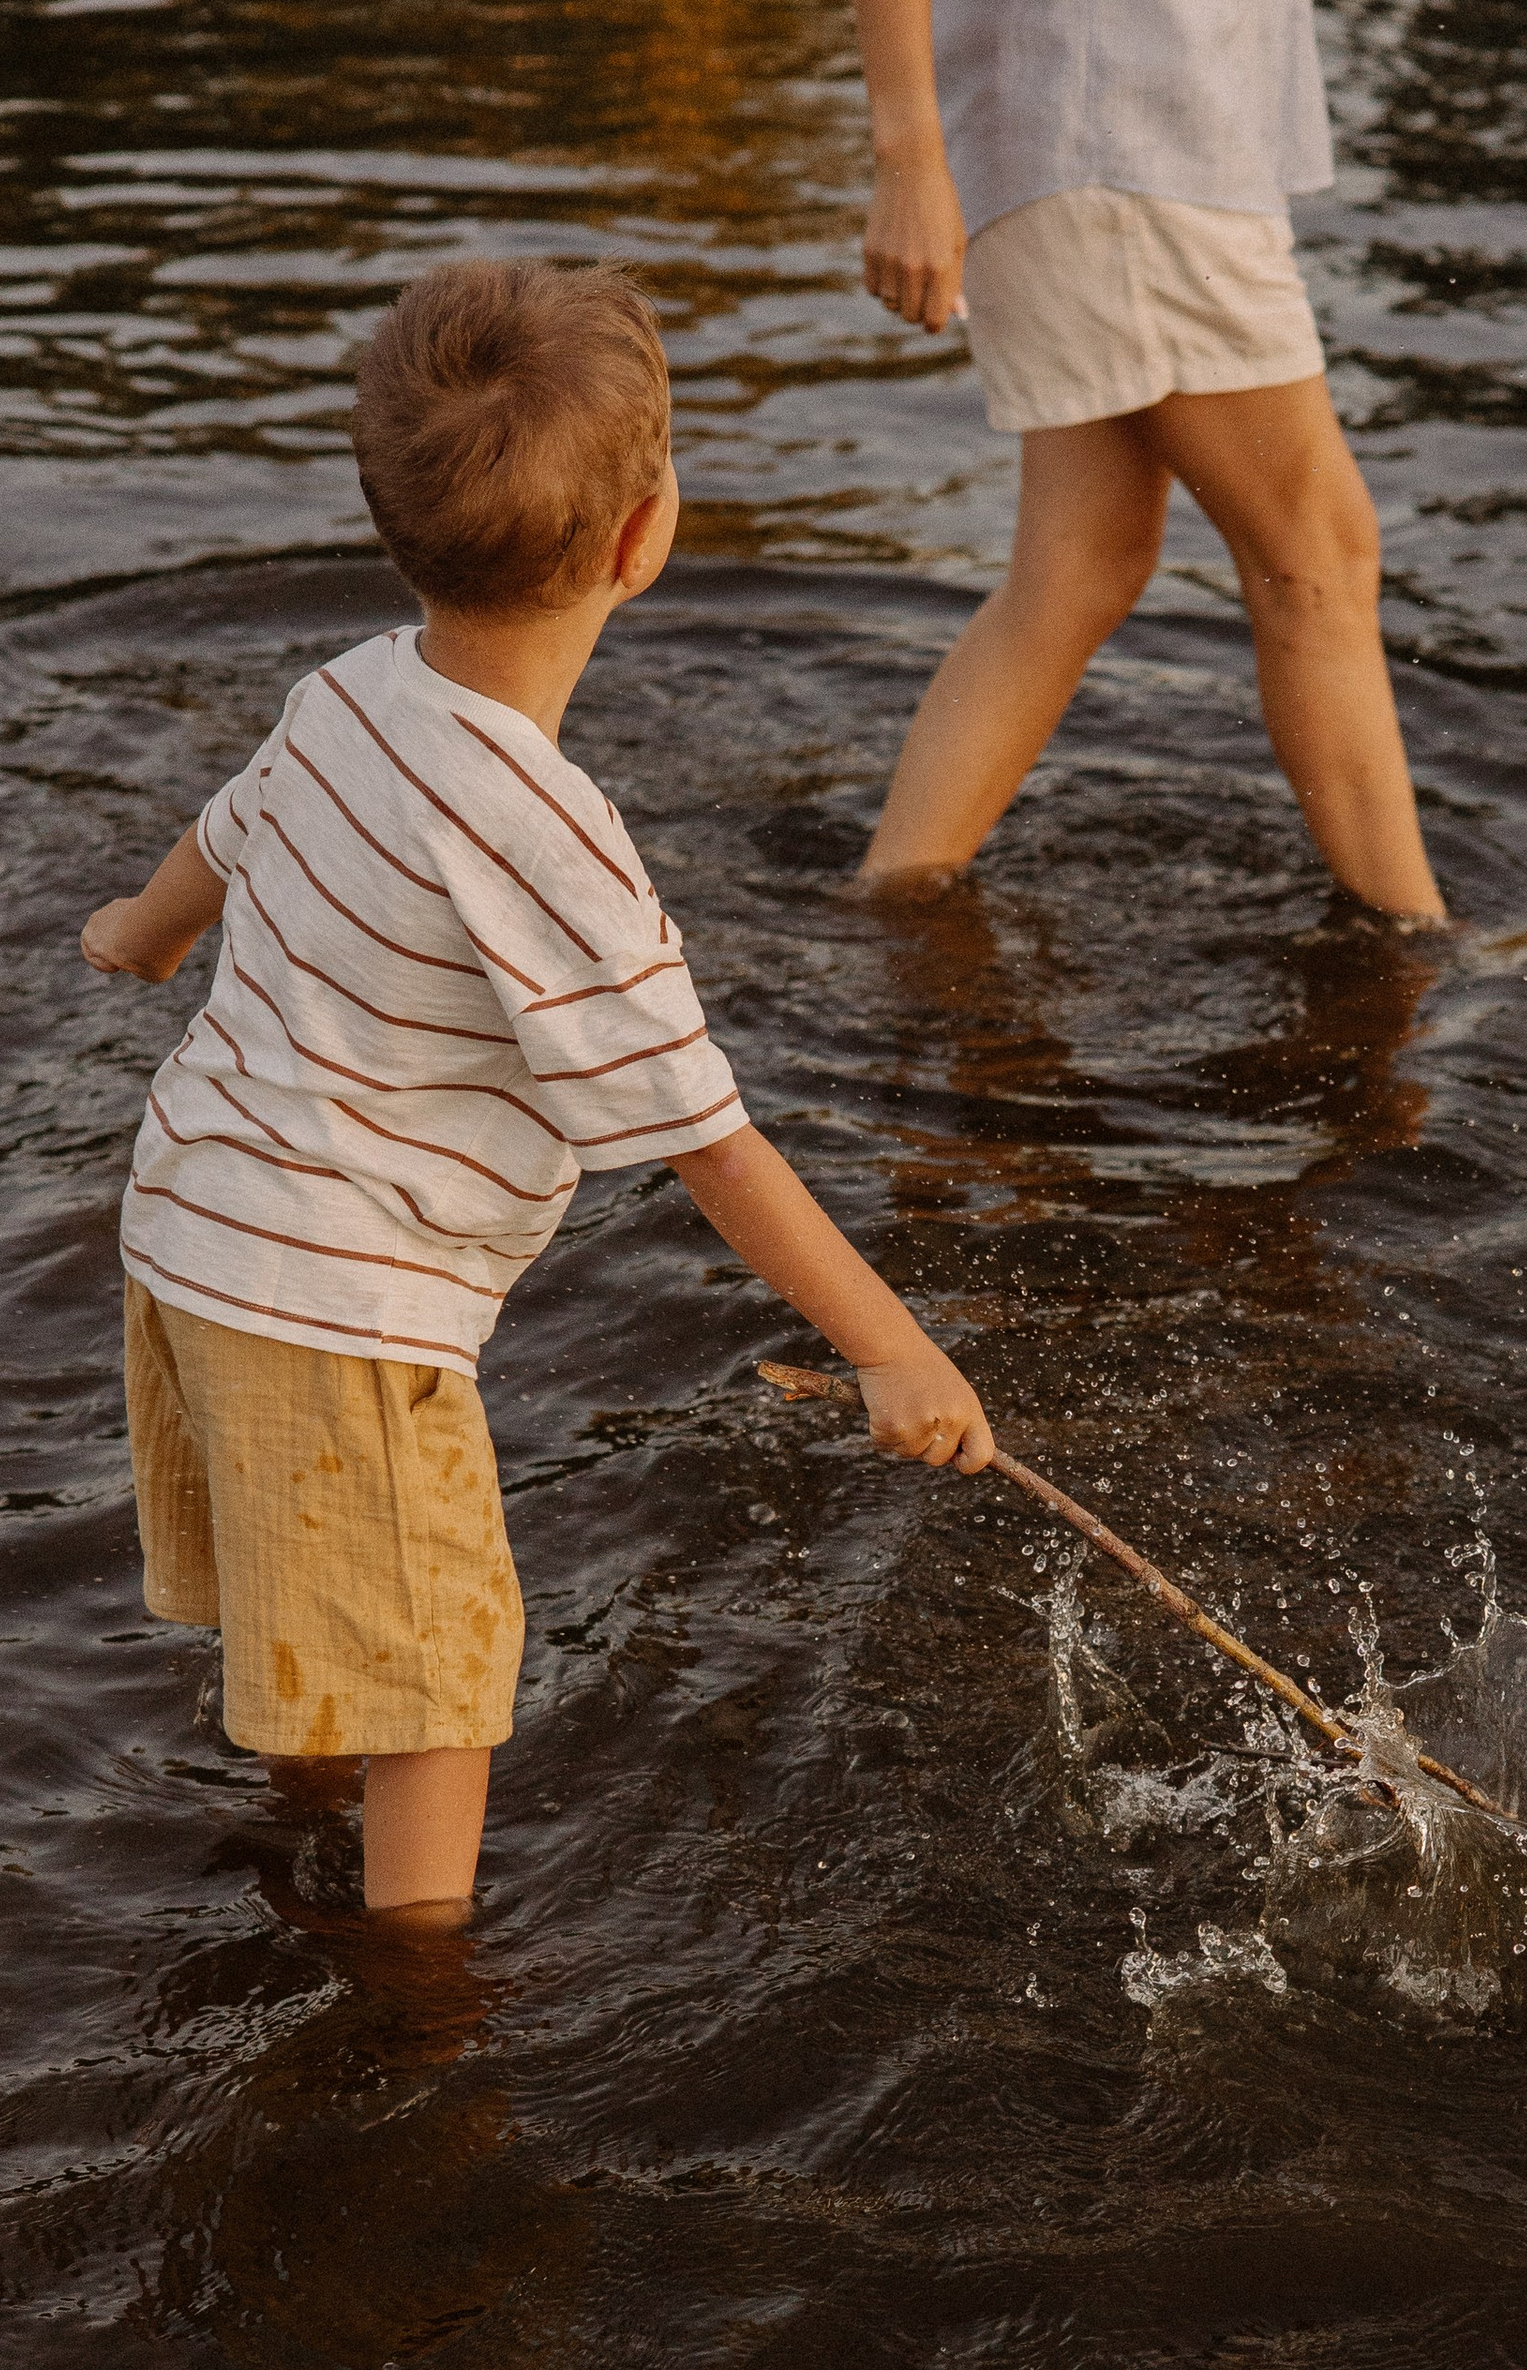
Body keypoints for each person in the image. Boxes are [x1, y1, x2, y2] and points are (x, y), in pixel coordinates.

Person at [79, 257, 993, 1934]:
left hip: (188, 1232)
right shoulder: (549, 837)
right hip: (343, 1312)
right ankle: (417, 2004)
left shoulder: (353, 685)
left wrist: (142, 933)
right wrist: (891, 1347)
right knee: (437, 1686)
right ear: (647, 536)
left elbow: (223, 834)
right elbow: (708, 1141)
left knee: (310, 1614)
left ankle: (296, 1849)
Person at [811, 0, 1446, 920]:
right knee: (1316, 554)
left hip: (1154, 133)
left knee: (1083, 562)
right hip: (1119, 139)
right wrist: (908, 158)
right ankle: (1423, 951)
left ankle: (892, 907)